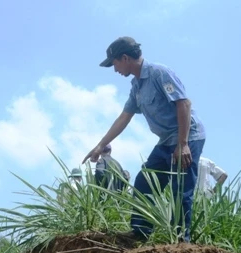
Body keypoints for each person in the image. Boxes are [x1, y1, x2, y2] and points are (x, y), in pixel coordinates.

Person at [83, 36, 206, 242]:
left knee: (180, 188)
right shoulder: (137, 86)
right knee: (144, 181)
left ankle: (181, 242)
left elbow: (184, 104)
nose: (115, 70)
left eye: (114, 64)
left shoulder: (159, 73)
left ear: (125, 58)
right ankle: (140, 233)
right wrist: (100, 145)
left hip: (188, 137)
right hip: (166, 140)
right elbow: (124, 117)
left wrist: (183, 144)